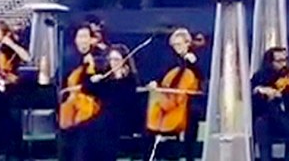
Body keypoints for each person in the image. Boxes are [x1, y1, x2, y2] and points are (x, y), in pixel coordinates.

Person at [145, 28, 205, 161]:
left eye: (179, 44)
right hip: (172, 104)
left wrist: (194, 64)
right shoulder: (171, 61)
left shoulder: (196, 60)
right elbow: (162, 77)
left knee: (190, 125)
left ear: (188, 43)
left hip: (190, 105)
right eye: (174, 45)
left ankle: (189, 156)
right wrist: (155, 82)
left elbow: (202, 77)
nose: (177, 48)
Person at [82, 44, 140, 161]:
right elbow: (87, 89)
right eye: (111, 59)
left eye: (117, 59)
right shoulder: (106, 79)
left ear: (124, 61)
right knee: (88, 130)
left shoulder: (130, 80)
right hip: (105, 119)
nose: (113, 62)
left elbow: (125, 99)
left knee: (103, 130)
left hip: (124, 119)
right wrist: (92, 78)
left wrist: (120, 77)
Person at [58, 24, 101, 161]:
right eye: (80, 37)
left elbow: (97, 85)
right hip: (70, 103)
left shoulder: (98, 57)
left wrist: (91, 67)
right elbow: (63, 82)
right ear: (75, 39)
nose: (83, 40)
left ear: (91, 40)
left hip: (90, 107)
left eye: (85, 37)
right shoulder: (67, 58)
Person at [0, 19, 29, 160]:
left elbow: (26, 57)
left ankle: (15, 154)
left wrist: (10, 43)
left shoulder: (12, 46)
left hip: (12, 91)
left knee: (13, 124)